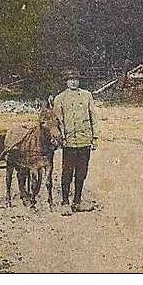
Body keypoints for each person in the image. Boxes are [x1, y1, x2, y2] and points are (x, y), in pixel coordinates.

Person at [52, 70, 100, 215]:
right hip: (69, 142)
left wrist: (95, 138)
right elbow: (57, 122)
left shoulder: (87, 96)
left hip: (85, 140)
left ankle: (77, 202)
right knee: (67, 172)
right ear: (66, 81)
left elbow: (94, 118)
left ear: (79, 81)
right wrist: (61, 139)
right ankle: (65, 202)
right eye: (70, 79)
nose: (73, 82)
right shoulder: (60, 98)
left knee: (81, 173)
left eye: (76, 79)